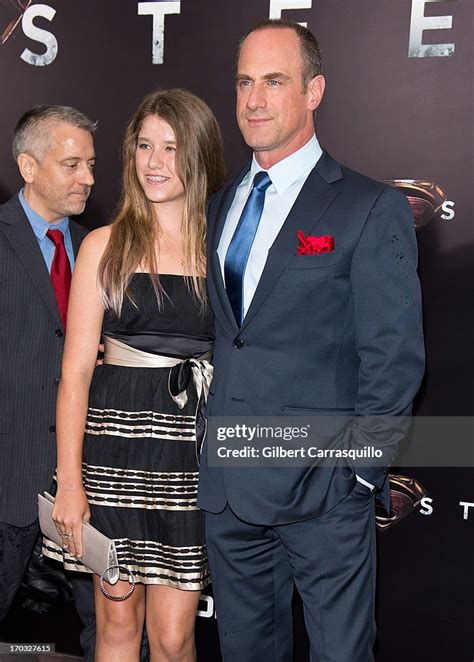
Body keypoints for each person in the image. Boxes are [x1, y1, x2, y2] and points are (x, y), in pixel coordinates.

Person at [197, 19, 425, 661]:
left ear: (315, 90)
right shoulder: (222, 204)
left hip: (323, 493)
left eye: (274, 81)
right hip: (231, 490)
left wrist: (358, 473)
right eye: (244, 82)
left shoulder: (367, 207)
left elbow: (395, 357)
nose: (254, 99)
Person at [47, 88, 225, 661]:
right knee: (118, 628)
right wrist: (69, 484)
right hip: (112, 457)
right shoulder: (104, 246)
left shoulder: (223, 247)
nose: (154, 162)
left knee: (175, 638)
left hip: (190, 457)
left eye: (170, 148)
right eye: (145, 146)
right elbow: (74, 374)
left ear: (196, 155)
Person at [0, 105, 97, 657]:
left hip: (86, 484)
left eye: (89, 163)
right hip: (8, 480)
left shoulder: (102, 249)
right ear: (28, 166)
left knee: (107, 631)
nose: (87, 177)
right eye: (71, 164)